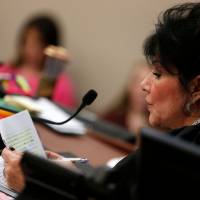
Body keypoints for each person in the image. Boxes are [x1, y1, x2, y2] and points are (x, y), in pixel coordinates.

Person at [2, 2, 200, 199]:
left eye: (157, 74)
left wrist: (33, 186)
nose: (144, 84)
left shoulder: (179, 162)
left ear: (196, 88)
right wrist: (74, 172)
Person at [0, 15, 77, 108]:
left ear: (49, 46)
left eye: (36, 44)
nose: (29, 49)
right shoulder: (6, 70)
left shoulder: (61, 84)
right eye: (26, 42)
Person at [101, 62, 150, 142]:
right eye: (138, 82)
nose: (142, 91)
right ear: (130, 85)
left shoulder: (162, 128)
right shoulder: (112, 117)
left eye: (148, 85)